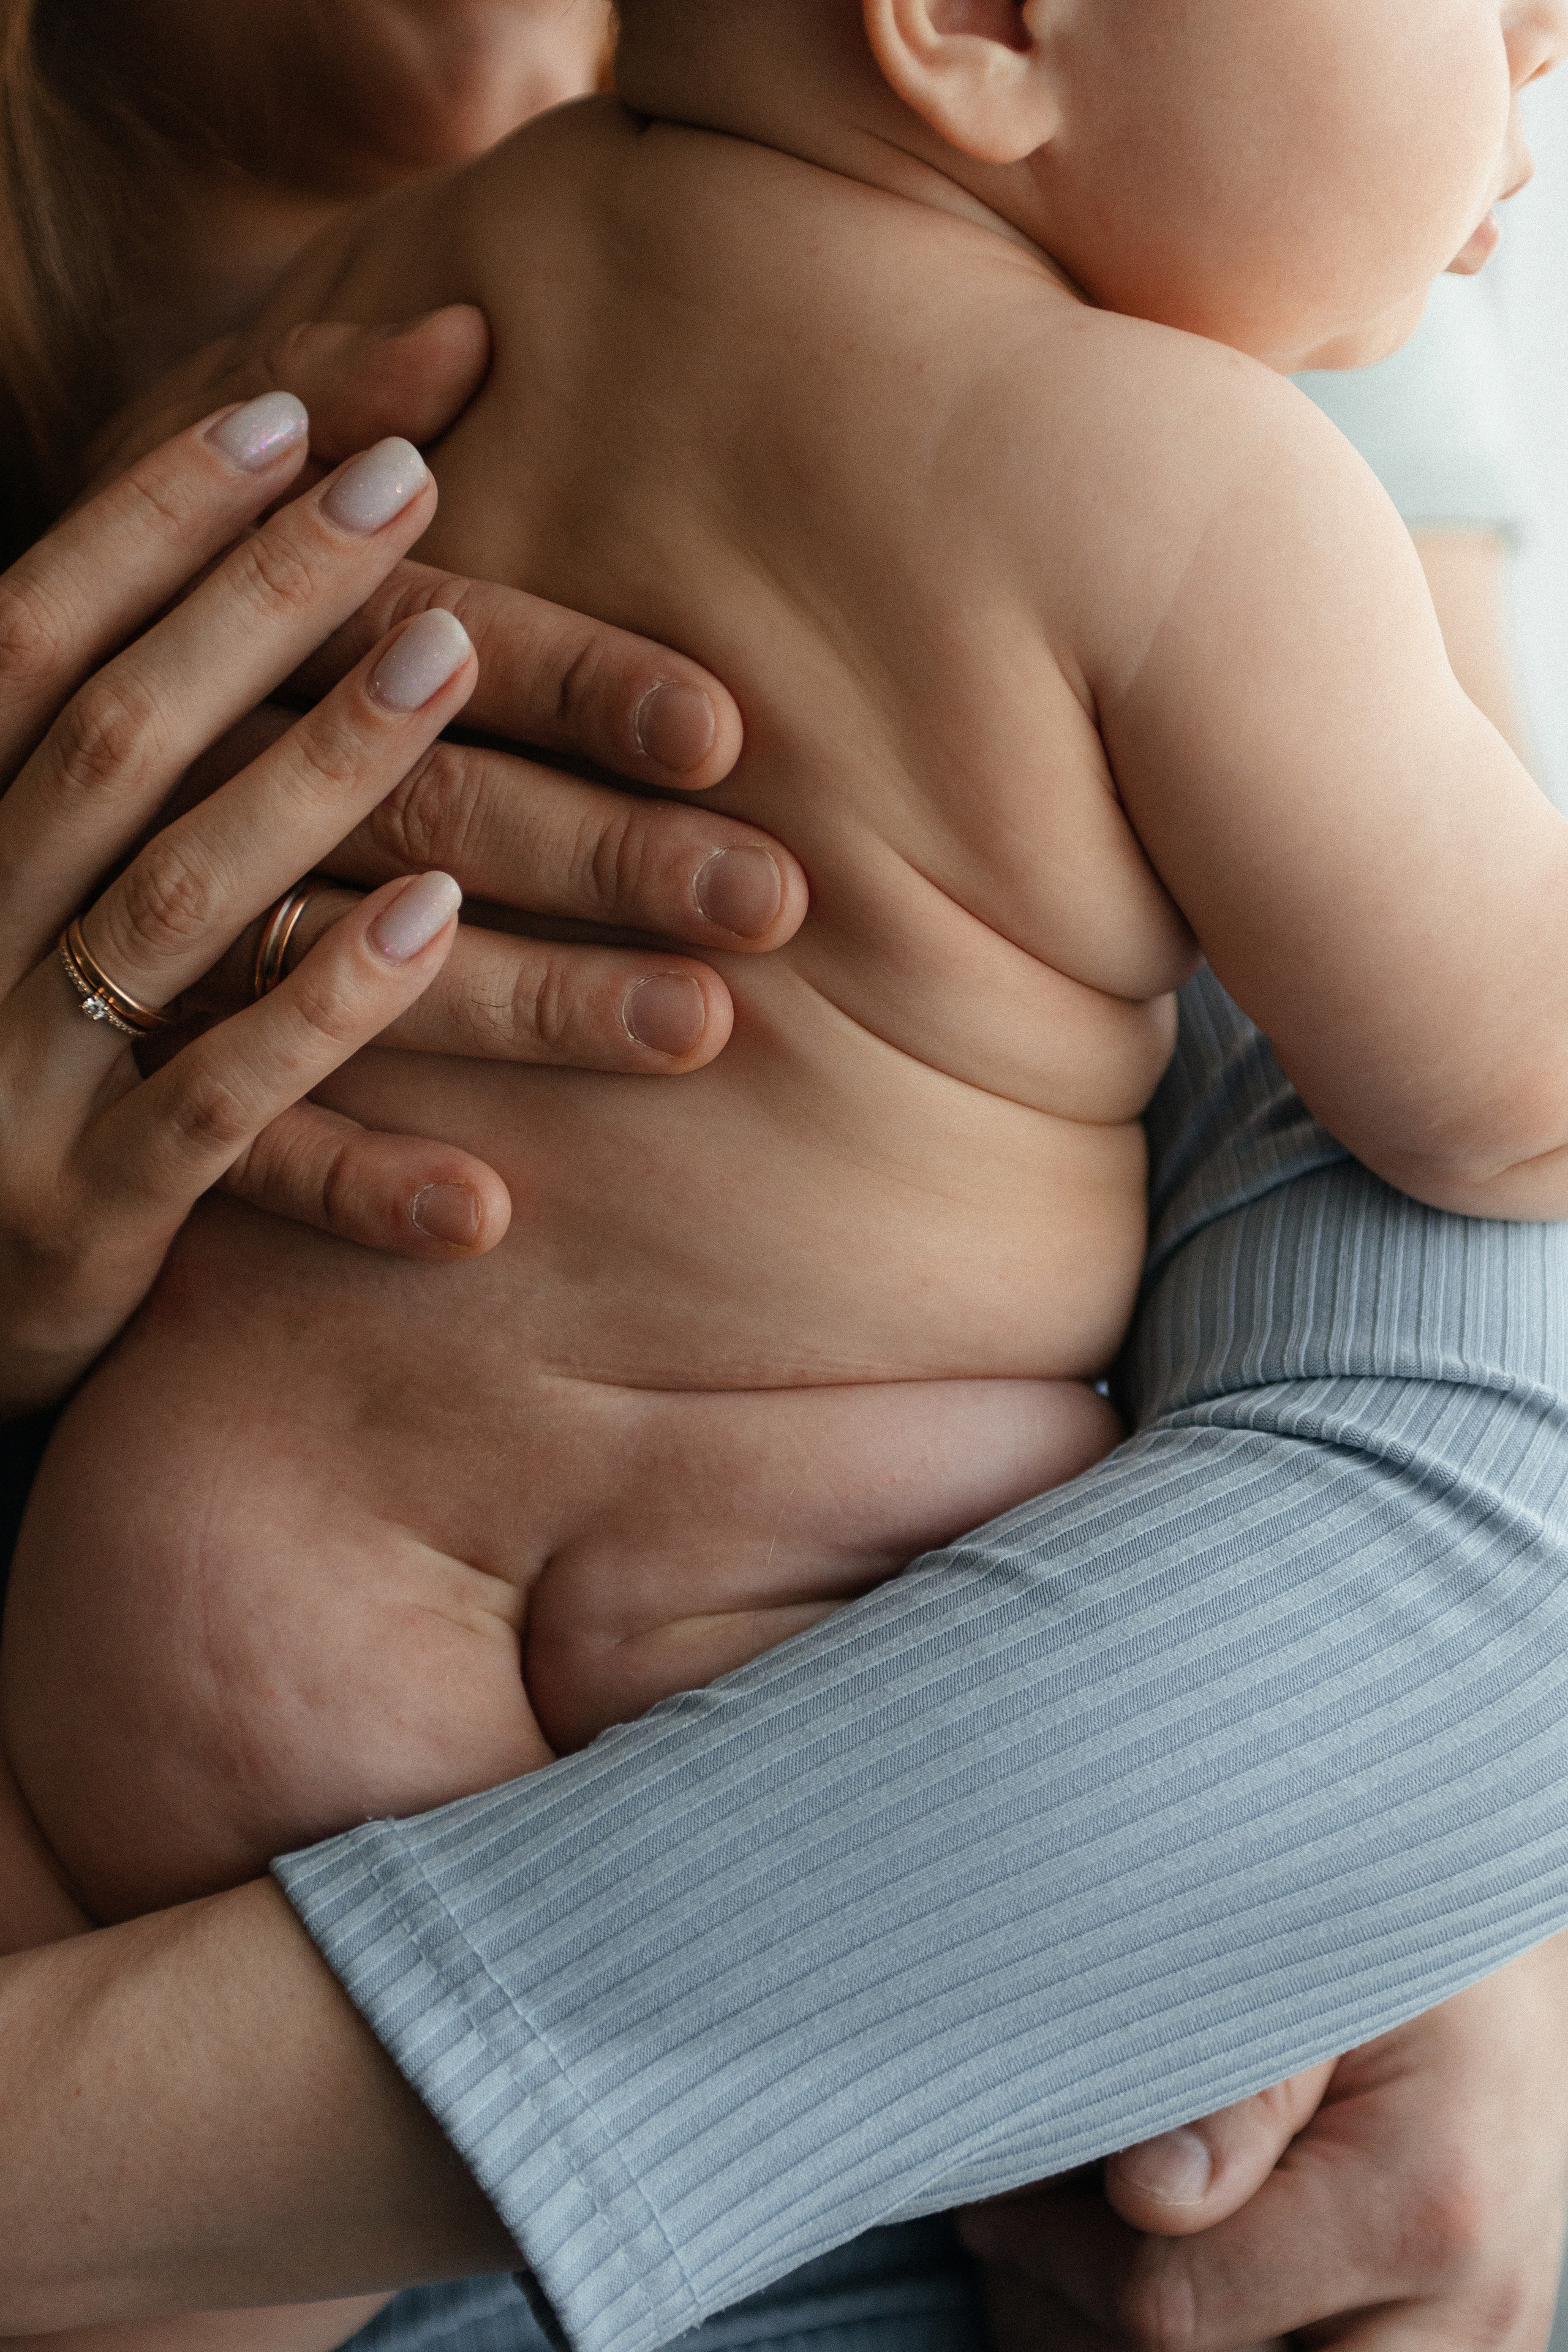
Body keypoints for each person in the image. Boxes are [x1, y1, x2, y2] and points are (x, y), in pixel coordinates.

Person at [3, 9, 1568, 2352]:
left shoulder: (362, 323)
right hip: (823, 1646)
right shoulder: (1191, 475)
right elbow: (1502, 1097)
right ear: (984, 27)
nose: (1539, 34)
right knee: (1189, 2180)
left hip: (213, 1575)